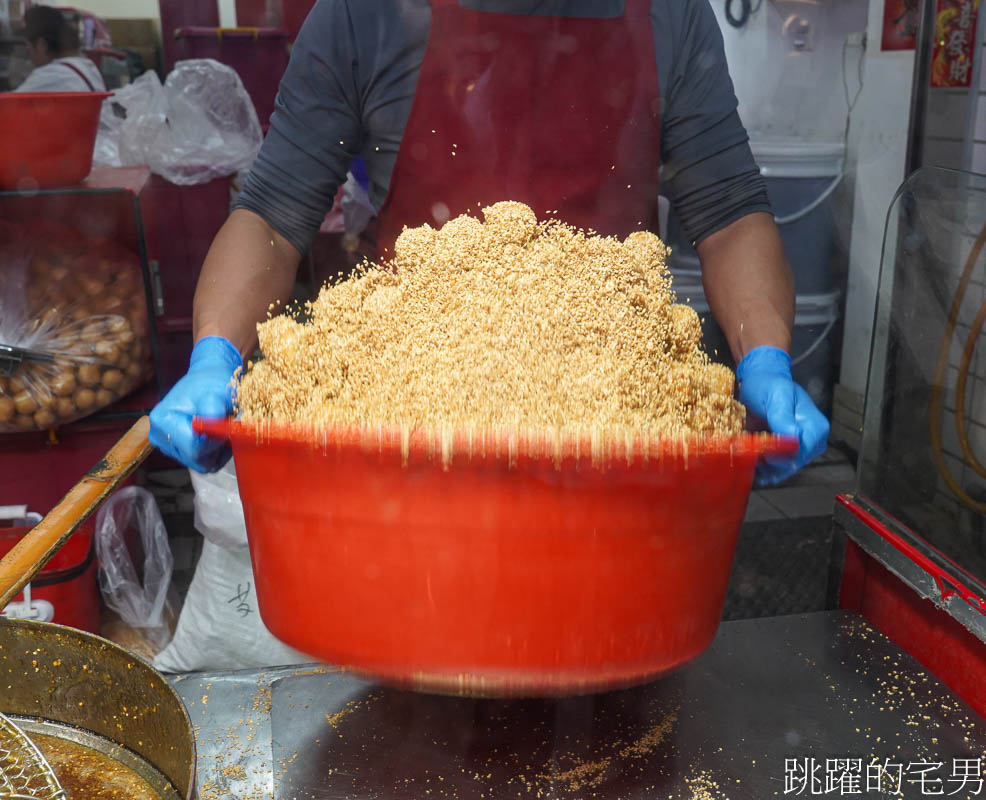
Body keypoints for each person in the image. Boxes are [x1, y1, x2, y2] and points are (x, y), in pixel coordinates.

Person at [150, 0, 829, 486]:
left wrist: (764, 362)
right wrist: (214, 355)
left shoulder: (669, 16)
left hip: (615, 438)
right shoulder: (366, 14)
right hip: (408, 438)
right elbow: (271, 215)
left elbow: (732, 216)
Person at [15, 5, 105, 93]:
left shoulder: (50, 75)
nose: (29, 57)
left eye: (29, 48)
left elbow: (8, 104)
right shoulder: (88, 67)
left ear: (42, 45)